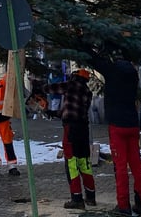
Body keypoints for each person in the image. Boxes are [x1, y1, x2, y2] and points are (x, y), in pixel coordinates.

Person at [44, 69, 95, 209]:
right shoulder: (87, 92)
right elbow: (70, 110)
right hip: (83, 129)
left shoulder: (71, 85)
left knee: (71, 163)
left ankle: (77, 199)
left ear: (75, 77)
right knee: (84, 162)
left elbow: (53, 88)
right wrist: (53, 113)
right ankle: (90, 196)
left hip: (71, 129)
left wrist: (40, 87)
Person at [106, 57, 141, 216]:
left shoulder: (113, 75)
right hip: (132, 123)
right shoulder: (133, 75)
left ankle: (123, 205)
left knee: (121, 166)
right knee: (137, 164)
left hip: (117, 125)